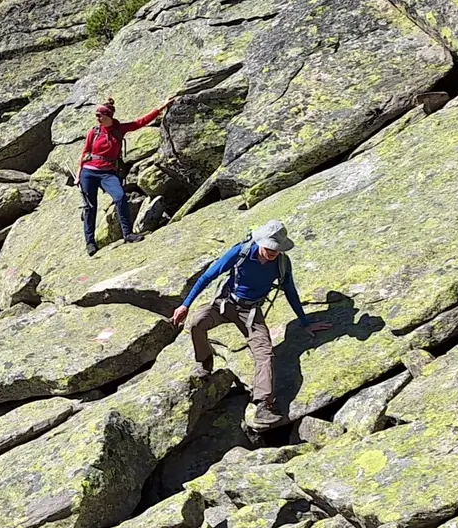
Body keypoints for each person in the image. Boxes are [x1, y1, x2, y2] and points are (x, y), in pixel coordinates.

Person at [169, 220, 333, 430]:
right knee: (196, 323)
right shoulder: (240, 253)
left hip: (251, 313)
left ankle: (264, 404)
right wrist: (185, 305)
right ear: (260, 242)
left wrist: (305, 322)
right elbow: (208, 276)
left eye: (277, 248)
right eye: (269, 247)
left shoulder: (282, 264)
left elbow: (290, 291)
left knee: (265, 353)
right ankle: (205, 361)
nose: (273, 252)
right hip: (225, 303)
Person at [80, 96, 173, 256]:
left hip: (108, 172)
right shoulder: (93, 132)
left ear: (108, 116)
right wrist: (78, 174)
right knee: (90, 207)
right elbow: (85, 153)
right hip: (88, 172)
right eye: (96, 116)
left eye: (100, 116)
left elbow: (140, 122)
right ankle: (90, 243)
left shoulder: (119, 129)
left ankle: (128, 234)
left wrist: (161, 108)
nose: (97, 118)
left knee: (120, 197)